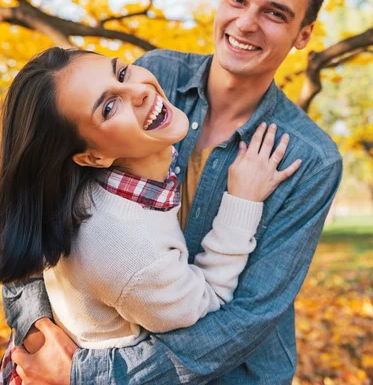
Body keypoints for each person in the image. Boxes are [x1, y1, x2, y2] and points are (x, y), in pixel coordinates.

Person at [3, 0, 342, 385]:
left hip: (230, 373)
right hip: (102, 339)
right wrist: (37, 326)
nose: (245, 23)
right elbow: (38, 188)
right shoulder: (151, 77)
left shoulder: (310, 157)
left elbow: (250, 315)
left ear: (303, 35)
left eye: (275, 13)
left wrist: (92, 375)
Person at [0, 48, 299, 379]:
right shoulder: (129, 251)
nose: (140, 91)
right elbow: (207, 304)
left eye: (123, 73)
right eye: (109, 107)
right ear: (92, 156)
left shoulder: (95, 188)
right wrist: (242, 200)